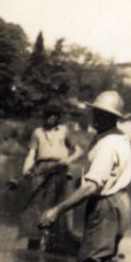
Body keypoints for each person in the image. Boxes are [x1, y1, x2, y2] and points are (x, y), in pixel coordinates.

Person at [38, 91, 131, 262]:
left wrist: (57, 210)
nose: (95, 116)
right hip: (119, 202)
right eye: (96, 111)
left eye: (101, 113)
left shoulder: (107, 145)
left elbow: (92, 187)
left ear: (112, 117)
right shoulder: (117, 137)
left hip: (105, 204)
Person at [19, 103, 83, 250]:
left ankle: (58, 241)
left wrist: (67, 160)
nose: (50, 117)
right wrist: (26, 169)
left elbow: (79, 151)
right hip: (41, 170)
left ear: (58, 117)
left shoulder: (64, 131)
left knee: (61, 205)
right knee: (36, 204)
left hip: (60, 170)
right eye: (47, 114)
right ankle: (34, 242)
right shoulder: (37, 132)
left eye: (53, 115)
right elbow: (31, 154)